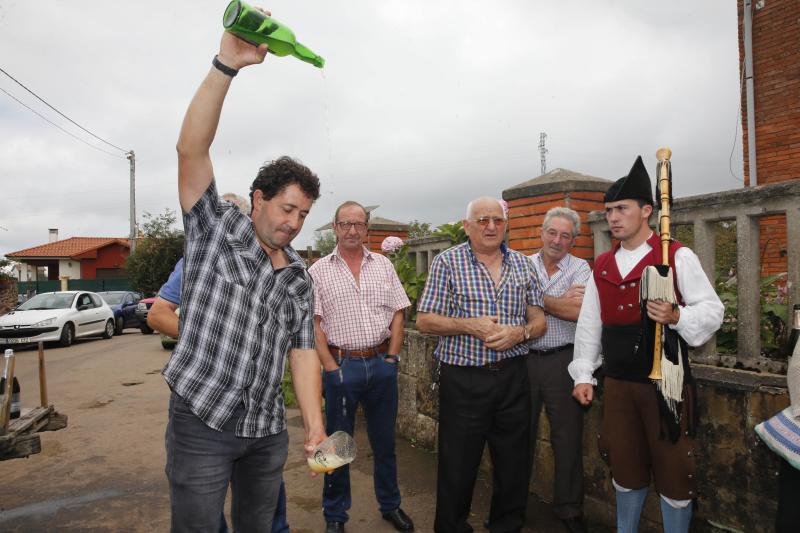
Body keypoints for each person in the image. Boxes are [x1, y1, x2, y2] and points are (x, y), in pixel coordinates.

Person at [163, 19, 325, 532]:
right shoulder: (216, 229)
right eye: (287, 209)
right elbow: (191, 150)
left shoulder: (300, 277)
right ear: (258, 199)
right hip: (201, 420)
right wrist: (226, 65)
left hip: (265, 431)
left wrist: (315, 424)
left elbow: (302, 352)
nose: (294, 223)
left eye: (303, 215)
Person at [569, 156, 723, 533]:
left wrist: (677, 317)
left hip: (666, 384)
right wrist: (583, 374)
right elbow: (590, 324)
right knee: (624, 466)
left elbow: (713, 310)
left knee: (674, 471)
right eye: (608, 211)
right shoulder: (602, 265)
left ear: (647, 211)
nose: (613, 218)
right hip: (619, 384)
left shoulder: (676, 256)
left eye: (622, 209)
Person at [148, 195, 289, 533]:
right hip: (208, 403)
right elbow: (157, 314)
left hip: (262, 412)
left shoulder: (278, 265)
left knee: (267, 506)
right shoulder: (198, 258)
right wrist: (207, 335)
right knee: (202, 511)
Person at [416, 196, 547, 533]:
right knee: (457, 466)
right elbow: (426, 321)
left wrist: (521, 333)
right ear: (467, 226)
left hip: (514, 379)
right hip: (465, 381)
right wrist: (470, 325)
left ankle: (506, 526)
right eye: (483, 220)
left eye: (497, 221)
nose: (491, 227)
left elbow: (539, 318)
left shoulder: (523, 264)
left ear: (506, 225)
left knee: (514, 465)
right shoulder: (447, 263)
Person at [308, 201, 414, 533]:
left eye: (358, 224)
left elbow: (399, 311)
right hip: (342, 367)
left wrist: (393, 357)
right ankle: (335, 516)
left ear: (366, 228)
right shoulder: (318, 271)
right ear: (335, 227)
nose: (352, 230)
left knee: (385, 443)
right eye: (345, 224)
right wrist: (329, 366)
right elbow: (314, 323)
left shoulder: (383, 265)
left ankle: (390, 505)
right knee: (336, 445)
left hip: (381, 365)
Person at [526, 207, 591, 533]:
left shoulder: (582, 268)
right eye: (552, 232)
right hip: (522, 359)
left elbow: (579, 311)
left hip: (563, 362)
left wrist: (535, 300)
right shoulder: (522, 264)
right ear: (542, 232)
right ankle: (511, 505)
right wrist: (556, 301)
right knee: (515, 436)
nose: (557, 240)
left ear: (574, 240)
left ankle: (569, 509)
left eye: (566, 235)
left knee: (567, 439)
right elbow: (510, 305)